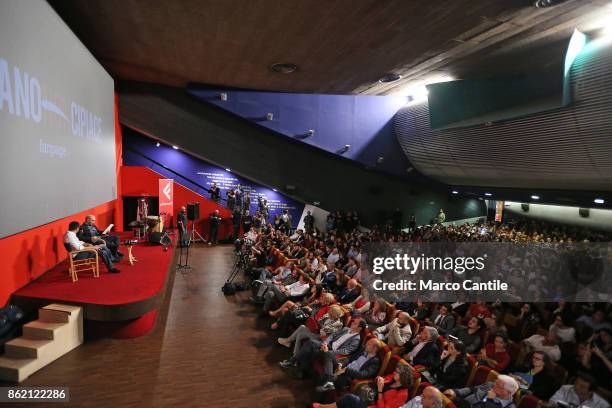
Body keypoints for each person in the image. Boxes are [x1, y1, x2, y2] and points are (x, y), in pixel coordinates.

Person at [285, 318, 365, 378]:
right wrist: (325, 343)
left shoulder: (356, 339)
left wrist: (328, 351)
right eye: (353, 322)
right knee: (311, 342)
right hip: (328, 345)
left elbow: (346, 351)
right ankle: (295, 363)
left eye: (355, 323)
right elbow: (332, 335)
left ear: (359, 328)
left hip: (333, 352)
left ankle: (297, 366)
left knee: (314, 350)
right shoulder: (346, 329)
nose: (352, 323)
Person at [317, 337, 382, 392]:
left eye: (368, 344)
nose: (366, 344)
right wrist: (340, 364)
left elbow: (362, 374)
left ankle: (328, 380)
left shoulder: (375, 362)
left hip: (349, 376)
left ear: (374, 349)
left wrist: (346, 370)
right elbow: (350, 358)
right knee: (328, 354)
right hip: (344, 368)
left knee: (323, 380)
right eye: (367, 342)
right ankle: (329, 378)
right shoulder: (363, 349)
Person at [444, 375, 520, 408]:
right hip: (461, 403)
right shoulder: (490, 385)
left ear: (508, 392)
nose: (494, 385)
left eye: (498, 385)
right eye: (495, 382)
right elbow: (472, 389)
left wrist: (488, 401)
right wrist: (456, 392)